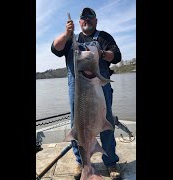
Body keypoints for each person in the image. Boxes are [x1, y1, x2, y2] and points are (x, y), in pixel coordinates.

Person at [51, 7, 122, 180]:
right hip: (77, 89)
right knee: (78, 127)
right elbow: (55, 48)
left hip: (100, 87)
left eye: (90, 17)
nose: (87, 20)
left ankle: (110, 162)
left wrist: (103, 53)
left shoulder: (104, 37)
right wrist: (66, 34)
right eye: (84, 18)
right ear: (80, 22)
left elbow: (117, 56)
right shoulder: (71, 39)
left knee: (106, 123)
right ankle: (83, 163)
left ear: (96, 21)